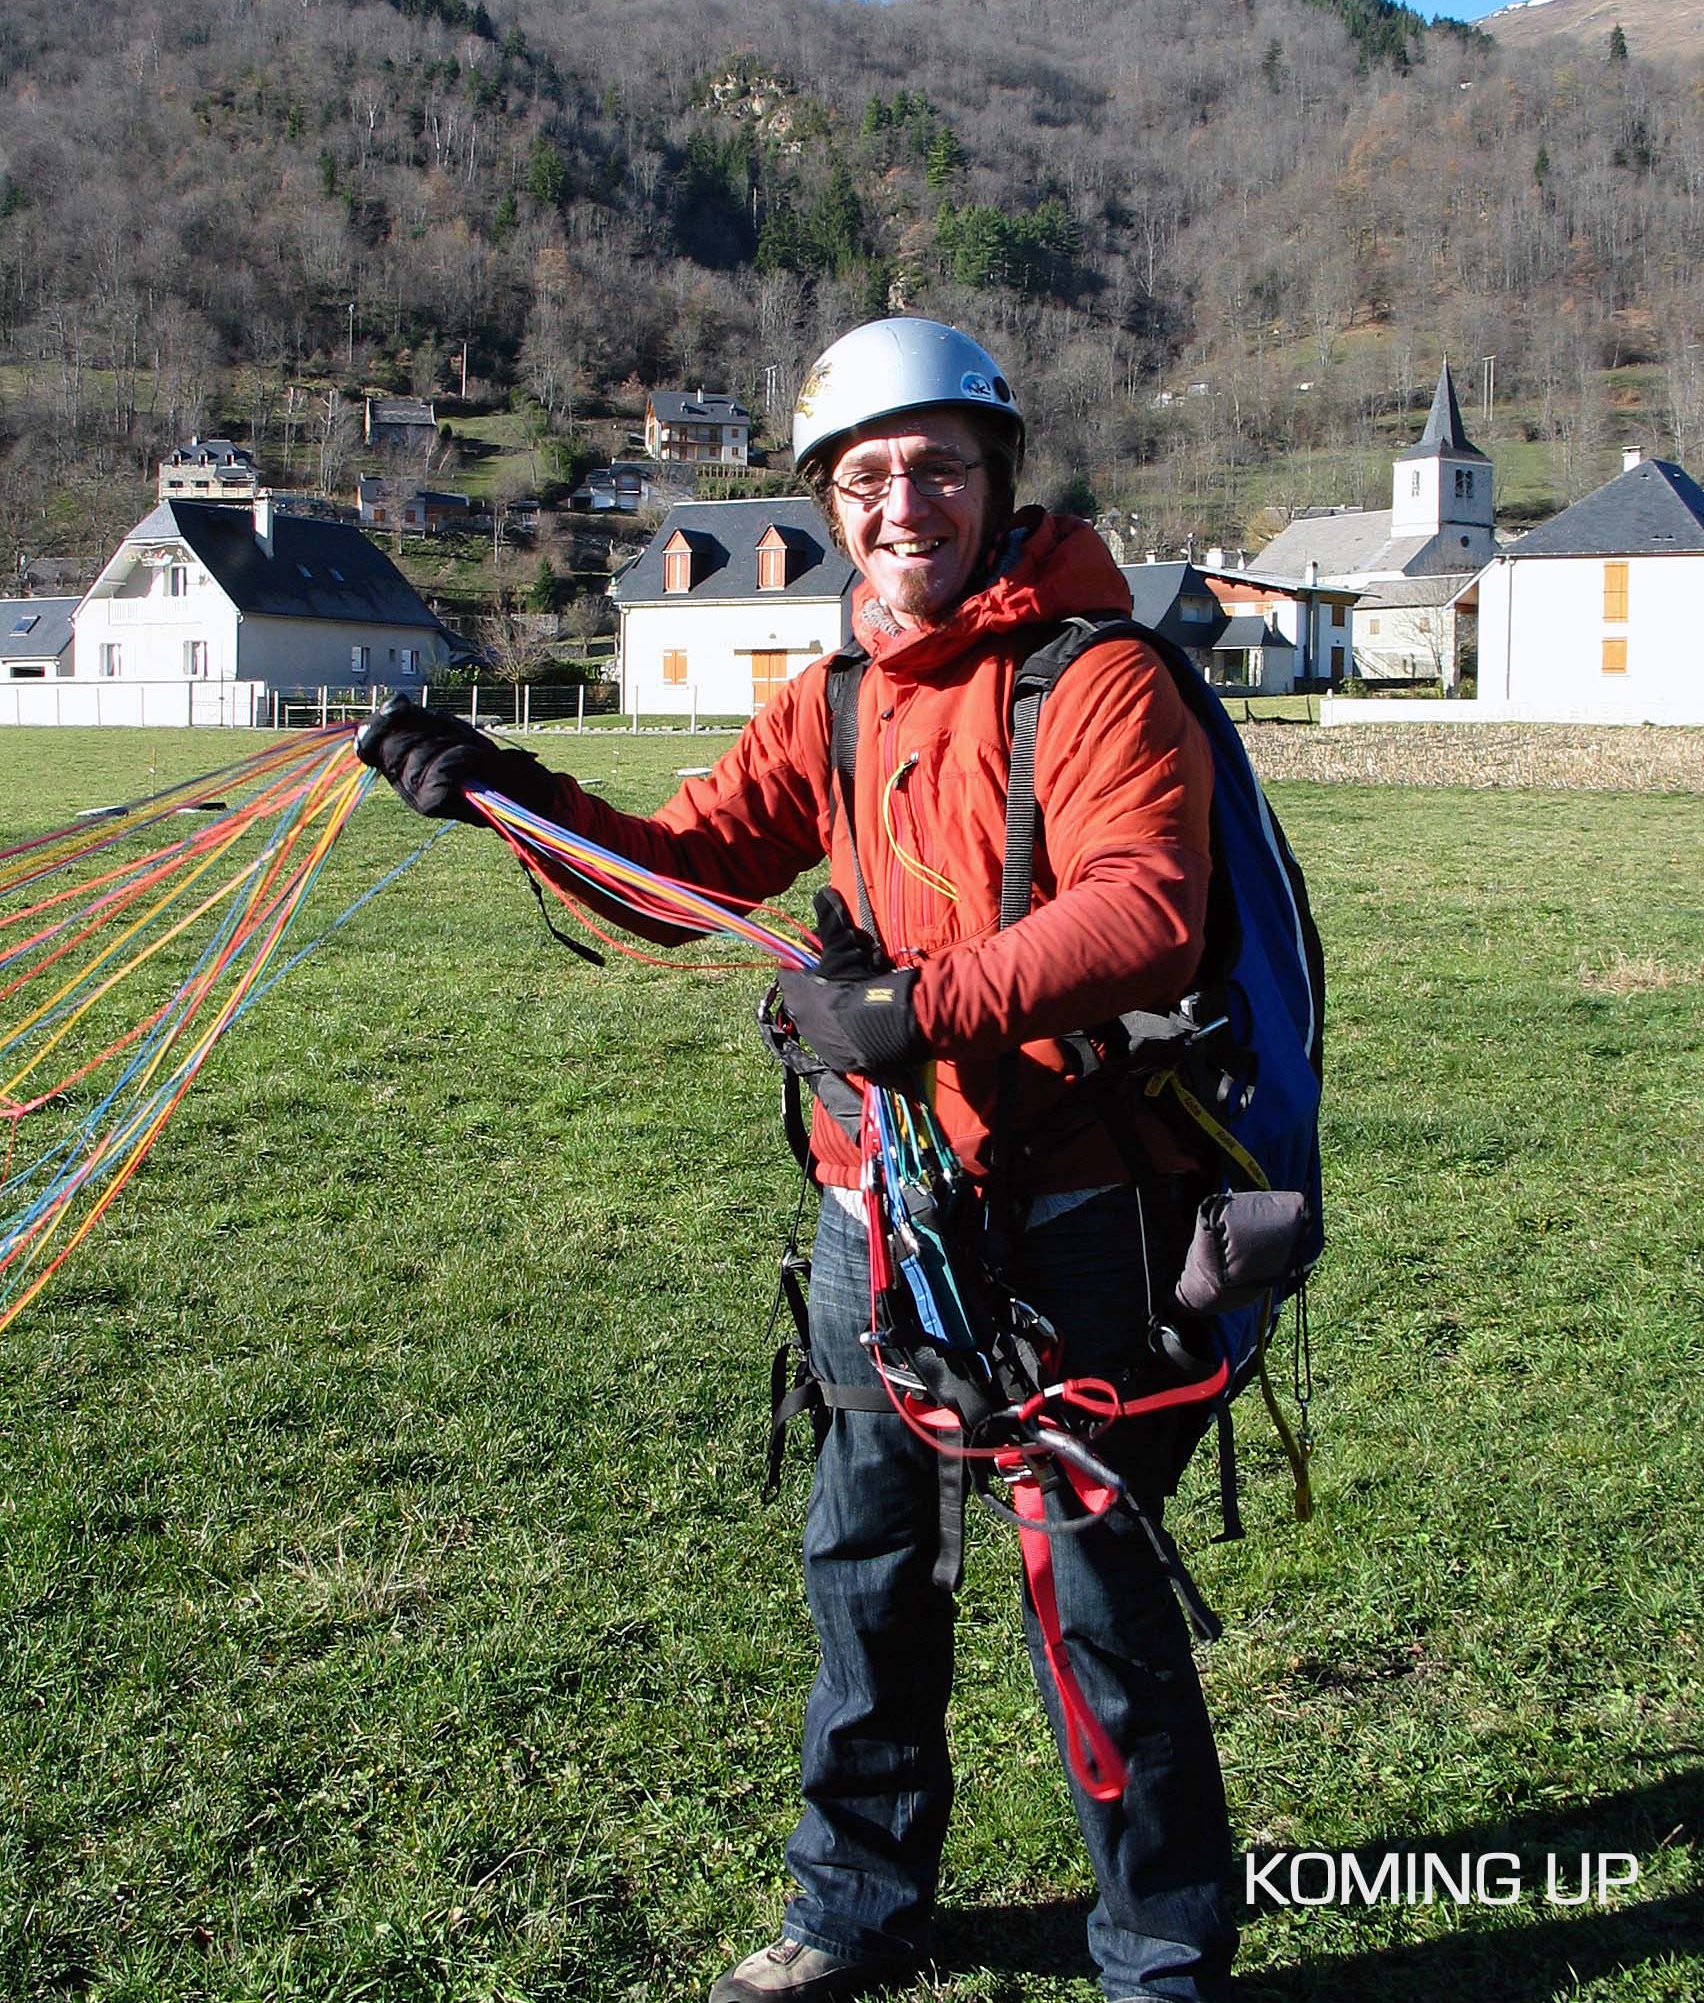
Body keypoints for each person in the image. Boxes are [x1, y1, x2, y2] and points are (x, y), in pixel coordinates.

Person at [359, 317, 1235, 2003]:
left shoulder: (1098, 675)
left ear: (995, 483)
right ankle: (852, 1912)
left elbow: (1146, 912)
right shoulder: (831, 701)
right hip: (876, 1216)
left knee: (1096, 1597)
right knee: (867, 1573)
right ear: (834, 503)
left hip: (1067, 1208)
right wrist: (499, 793)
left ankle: (1162, 1957)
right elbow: (685, 868)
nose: (904, 504)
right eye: (867, 477)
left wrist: (916, 1011)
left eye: (937, 470)